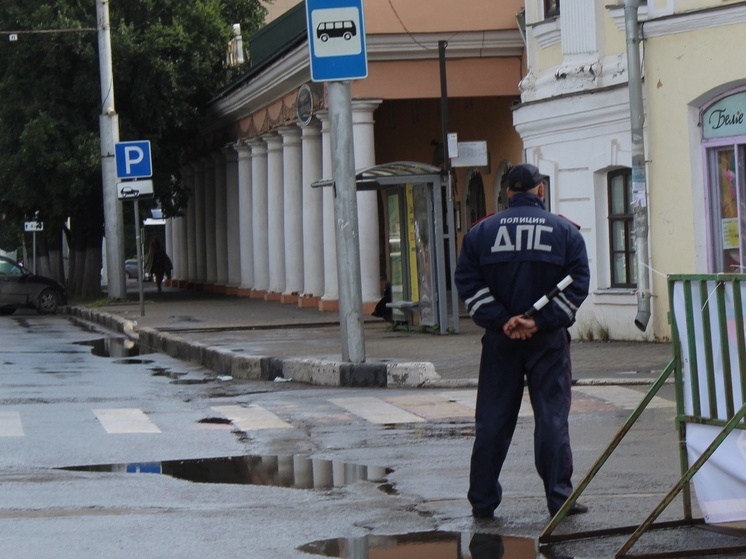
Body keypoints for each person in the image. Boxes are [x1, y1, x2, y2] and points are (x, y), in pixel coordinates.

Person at [454, 163, 590, 519]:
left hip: (501, 341)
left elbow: (468, 283)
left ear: (508, 193)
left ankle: (482, 500)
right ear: (540, 190)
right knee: (551, 418)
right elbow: (578, 283)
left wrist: (503, 320)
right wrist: (539, 320)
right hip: (547, 341)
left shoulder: (481, 232)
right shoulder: (565, 232)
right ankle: (559, 499)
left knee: (493, 420)